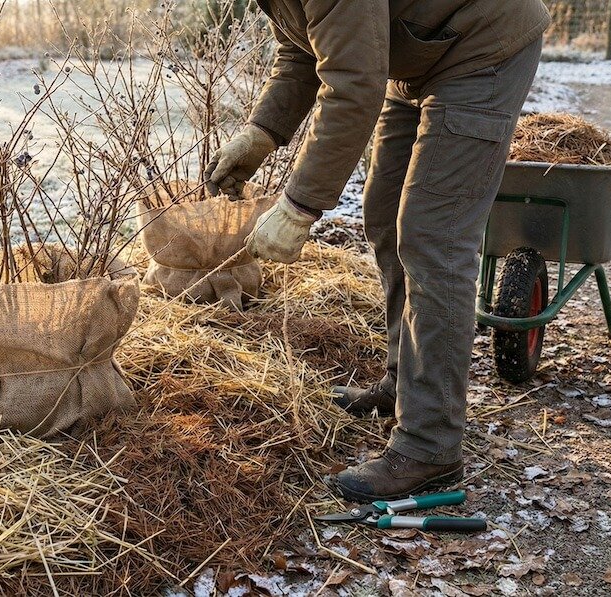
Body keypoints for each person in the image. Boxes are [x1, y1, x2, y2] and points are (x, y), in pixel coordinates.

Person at [205, 0, 551, 502]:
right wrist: (263, 131)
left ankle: (430, 443)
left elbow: (353, 87)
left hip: (483, 45)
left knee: (434, 235)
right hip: (417, 52)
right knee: (385, 215)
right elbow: (305, 46)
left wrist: (299, 207)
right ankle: (403, 383)